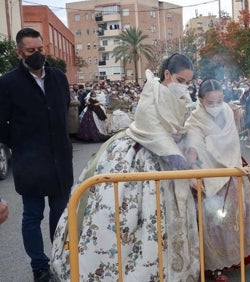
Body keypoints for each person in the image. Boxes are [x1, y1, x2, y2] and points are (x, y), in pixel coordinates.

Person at [51, 53, 200, 281]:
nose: (184, 87)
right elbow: (153, 131)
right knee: (125, 218)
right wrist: (183, 167)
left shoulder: (177, 96)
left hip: (167, 158)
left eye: (188, 82)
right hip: (139, 156)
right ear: (167, 74)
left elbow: (177, 127)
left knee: (164, 220)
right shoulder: (152, 91)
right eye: (181, 81)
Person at [0, 27, 73, 282]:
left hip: (60, 160)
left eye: (40, 49)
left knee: (60, 214)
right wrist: (21, 144)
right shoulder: (8, 83)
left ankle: (59, 259)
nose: (37, 54)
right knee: (32, 215)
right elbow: (2, 125)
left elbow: (63, 109)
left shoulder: (59, 78)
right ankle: (40, 267)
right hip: (30, 162)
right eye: (31, 51)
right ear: (20, 52)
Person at [184, 79, 250, 281]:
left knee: (240, 216)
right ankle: (214, 266)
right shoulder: (194, 122)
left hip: (234, 169)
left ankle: (235, 256)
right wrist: (194, 175)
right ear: (201, 100)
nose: (215, 106)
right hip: (210, 176)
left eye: (219, 100)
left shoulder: (228, 112)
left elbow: (232, 142)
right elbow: (194, 149)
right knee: (213, 223)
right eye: (210, 102)